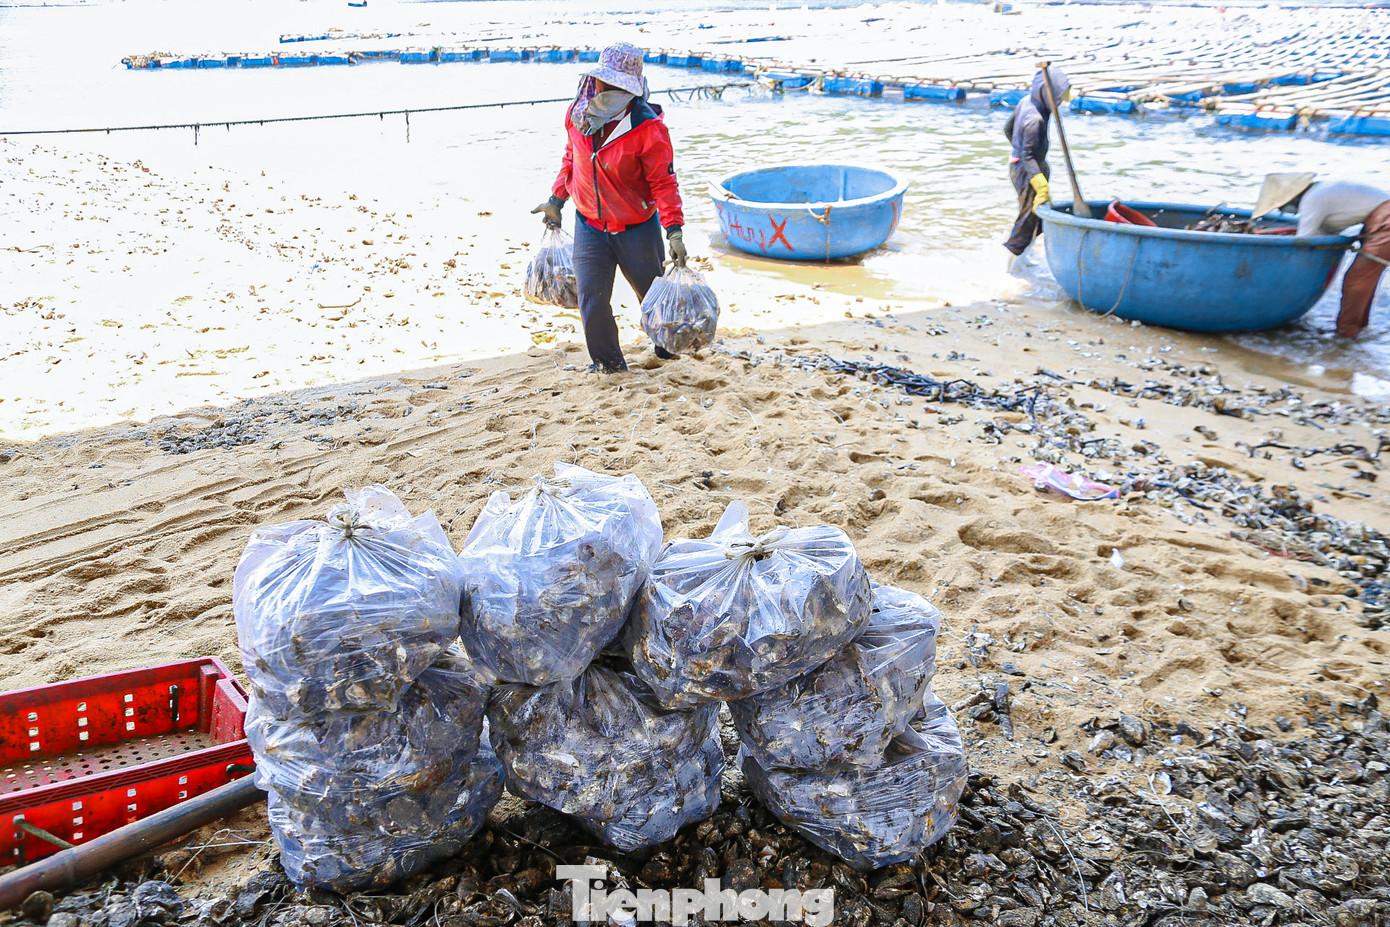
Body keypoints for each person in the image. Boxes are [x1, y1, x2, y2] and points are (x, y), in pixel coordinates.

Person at [532, 42, 687, 373]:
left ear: (631, 90)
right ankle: (609, 365)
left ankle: (666, 351)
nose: (609, 90)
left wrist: (673, 230)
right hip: (590, 226)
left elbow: (664, 183)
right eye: (606, 82)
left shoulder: (648, 127)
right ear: (597, 81)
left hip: (636, 229)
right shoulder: (577, 115)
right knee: (592, 300)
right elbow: (572, 159)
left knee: (653, 297)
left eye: (619, 86)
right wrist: (556, 200)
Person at [1252, 173, 1390, 338]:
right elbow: (1324, 232)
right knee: (1366, 278)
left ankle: (1345, 335)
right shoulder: (1321, 191)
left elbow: (1303, 242)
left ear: (1291, 198)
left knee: (1356, 281)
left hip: (1385, 221)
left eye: (1282, 206)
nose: (1284, 211)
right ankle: (1359, 328)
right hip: (1380, 218)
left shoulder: (1312, 200)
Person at [1003, 68, 1071, 257]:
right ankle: (1009, 262)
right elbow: (1028, 157)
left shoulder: (1027, 101)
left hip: (1021, 165)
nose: (1060, 103)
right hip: (1028, 171)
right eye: (1058, 98)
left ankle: (1026, 259)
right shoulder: (1036, 120)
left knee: (1036, 218)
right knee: (1027, 219)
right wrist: (1041, 186)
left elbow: (1007, 129)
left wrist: (1019, 147)